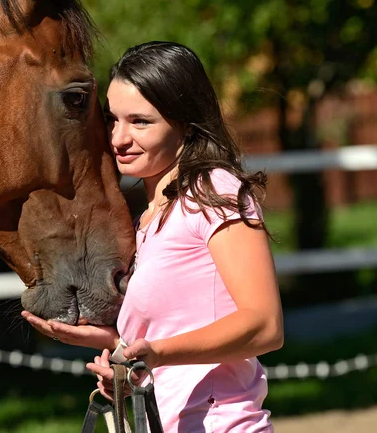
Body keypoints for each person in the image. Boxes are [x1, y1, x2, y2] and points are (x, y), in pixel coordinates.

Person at [22, 41, 283, 432]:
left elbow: (265, 326)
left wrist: (154, 354)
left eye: (140, 122)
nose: (118, 138)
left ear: (186, 123)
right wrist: (111, 344)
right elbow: (176, 329)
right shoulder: (148, 217)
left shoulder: (215, 192)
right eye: (112, 119)